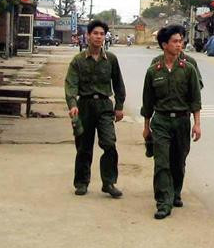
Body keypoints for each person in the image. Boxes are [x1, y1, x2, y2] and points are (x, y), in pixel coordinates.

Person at [141, 25, 202, 220]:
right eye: (175, 41)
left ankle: (175, 192)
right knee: (161, 162)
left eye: (180, 41)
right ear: (164, 45)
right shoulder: (153, 70)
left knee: (178, 161)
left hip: (182, 120)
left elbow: (195, 98)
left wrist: (197, 124)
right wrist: (146, 127)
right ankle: (163, 202)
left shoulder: (188, 68)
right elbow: (147, 101)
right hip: (161, 121)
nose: (179, 45)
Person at [64, 20, 126, 198]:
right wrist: (72, 105)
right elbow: (71, 84)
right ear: (88, 36)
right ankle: (82, 182)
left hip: (105, 106)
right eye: (95, 33)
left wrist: (119, 106)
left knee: (109, 143)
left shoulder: (111, 59)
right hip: (84, 106)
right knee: (84, 146)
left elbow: (118, 84)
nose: (99, 37)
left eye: (102, 34)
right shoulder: (78, 60)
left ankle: (109, 182)